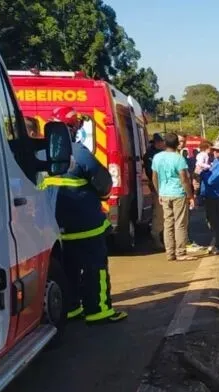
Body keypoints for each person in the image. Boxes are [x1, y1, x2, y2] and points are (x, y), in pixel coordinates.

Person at [43, 106, 128, 324]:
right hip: (86, 225)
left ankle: (71, 309)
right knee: (95, 268)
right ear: (71, 128)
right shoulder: (78, 152)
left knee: (68, 269)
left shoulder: (39, 152)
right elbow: (104, 183)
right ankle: (98, 310)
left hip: (54, 227)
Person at [151, 133, 197, 261]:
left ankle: (170, 253)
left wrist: (159, 192)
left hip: (164, 194)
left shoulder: (157, 157)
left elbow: (154, 177)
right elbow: (184, 178)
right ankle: (181, 252)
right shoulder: (179, 158)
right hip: (178, 194)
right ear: (177, 144)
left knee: (168, 224)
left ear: (165, 143)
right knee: (180, 224)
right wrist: (190, 196)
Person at [144, 133, 165, 249]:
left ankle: (162, 238)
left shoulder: (159, 154)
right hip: (158, 188)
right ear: (158, 142)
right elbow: (151, 173)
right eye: (162, 142)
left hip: (163, 187)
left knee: (163, 215)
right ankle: (157, 238)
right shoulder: (151, 155)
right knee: (159, 214)